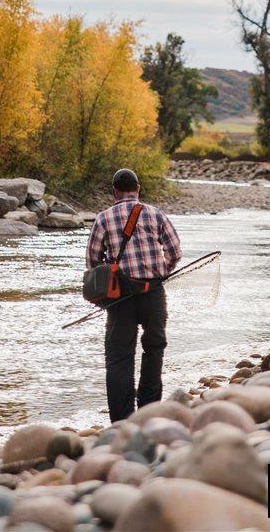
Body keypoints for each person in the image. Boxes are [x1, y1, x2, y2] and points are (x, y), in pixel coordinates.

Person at [85, 167, 182, 422]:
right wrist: (161, 272)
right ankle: (149, 414)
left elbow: (93, 262)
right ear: (138, 189)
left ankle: (121, 421)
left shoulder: (103, 218)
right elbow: (174, 252)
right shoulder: (155, 214)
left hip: (120, 298)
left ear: (114, 192)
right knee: (154, 349)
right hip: (153, 293)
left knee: (119, 356)